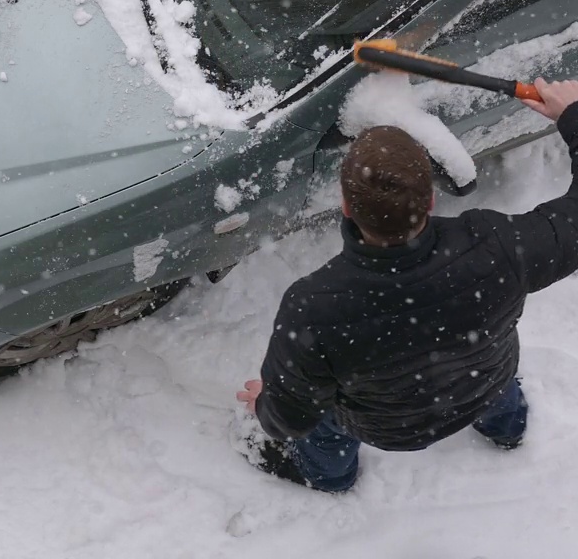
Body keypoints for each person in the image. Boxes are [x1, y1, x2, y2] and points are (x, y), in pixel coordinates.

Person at [235, 77, 578, 492]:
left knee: (326, 424)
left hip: (388, 426)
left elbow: (290, 418)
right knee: (492, 384)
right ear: (431, 199)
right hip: (485, 381)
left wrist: (265, 406)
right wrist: (573, 115)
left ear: (345, 205)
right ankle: (508, 429)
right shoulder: (500, 248)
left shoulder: (313, 308)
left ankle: (330, 477)